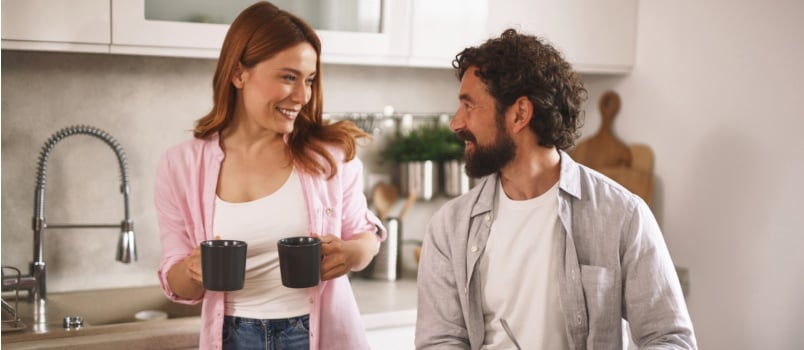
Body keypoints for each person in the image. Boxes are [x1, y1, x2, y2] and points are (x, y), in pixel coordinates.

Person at [415, 29, 697, 349]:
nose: (456, 123)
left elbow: (670, 339)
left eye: (469, 106)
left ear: (519, 114)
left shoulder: (622, 215)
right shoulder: (449, 228)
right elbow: (439, 341)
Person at [153, 2, 385, 349]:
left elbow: (365, 235)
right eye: (288, 77)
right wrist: (192, 270)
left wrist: (352, 254)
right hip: (233, 337)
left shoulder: (329, 157)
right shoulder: (181, 165)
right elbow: (175, 280)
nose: (303, 96)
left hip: (316, 334)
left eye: (308, 80)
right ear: (238, 74)